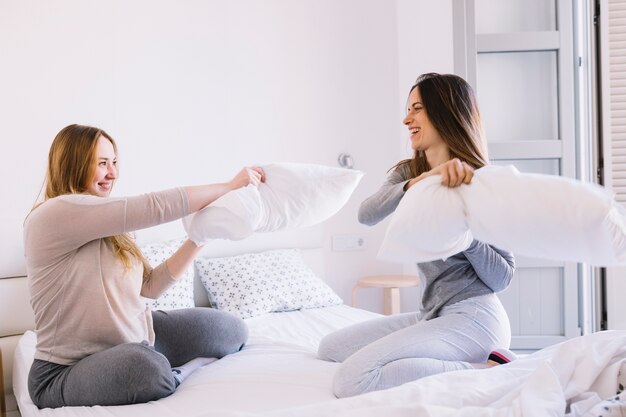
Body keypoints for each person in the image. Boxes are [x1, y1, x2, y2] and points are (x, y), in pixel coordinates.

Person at [24, 124, 265, 408]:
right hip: (65, 370)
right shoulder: (51, 216)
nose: (113, 173)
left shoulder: (115, 227)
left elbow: (149, 286)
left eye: (114, 162)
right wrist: (227, 187)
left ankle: (153, 360)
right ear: (72, 164)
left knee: (231, 330)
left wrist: (199, 237)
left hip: (137, 338)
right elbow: (155, 206)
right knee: (148, 370)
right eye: (102, 163)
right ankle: (173, 373)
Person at [317, 73, 516, 398]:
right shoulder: (408, 173)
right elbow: (366, 214)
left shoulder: (482, 181)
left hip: (476, 317)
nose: (406, 118)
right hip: (432, 314)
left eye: (417, 108)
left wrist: (463, 228)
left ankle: (488, 370)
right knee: (330, 347)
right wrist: (421, 182)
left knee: (351, 379)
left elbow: (502, 277)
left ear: (443, 113)